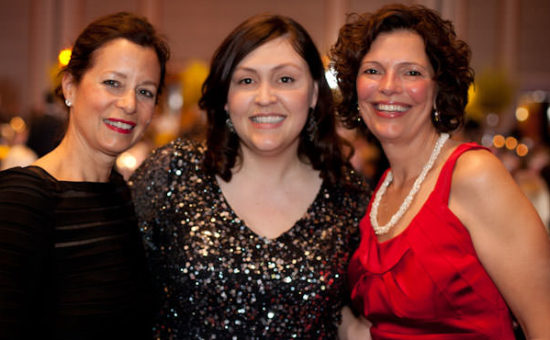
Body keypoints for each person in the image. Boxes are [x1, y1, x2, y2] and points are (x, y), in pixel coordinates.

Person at [130, 14, 370, 339]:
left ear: (314, 93)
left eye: (285, 79)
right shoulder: (173, 172)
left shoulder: (347, 196)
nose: (265, 97)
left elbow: (347, 318)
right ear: (226, 99)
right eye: (246, 81)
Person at [330, 4, 550, 339]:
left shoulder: (472, 174)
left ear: (437, 89)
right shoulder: (381, 193)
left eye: (412, 72)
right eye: (373, 70)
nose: (389, 86)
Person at [0, 12, 169, 339]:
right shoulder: (22, 200)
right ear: (70, 87)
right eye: (112, 83)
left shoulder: (119, 192)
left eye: (145, 91)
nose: (129, 104)